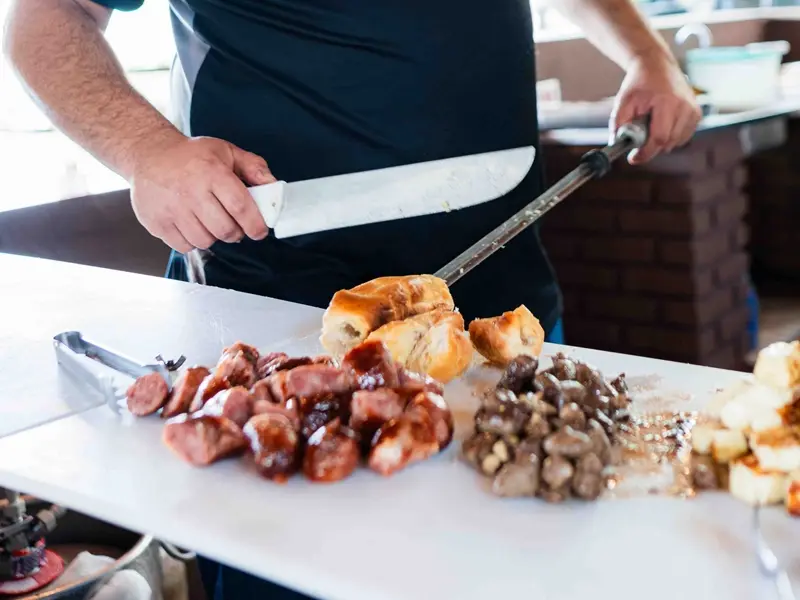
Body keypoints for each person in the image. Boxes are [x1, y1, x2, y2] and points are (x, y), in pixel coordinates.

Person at [4, 0, 700, 597]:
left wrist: (647, 53)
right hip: (282, 336)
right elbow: (46, 15)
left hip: (502, 313)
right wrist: (146, 151)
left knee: (532, 572)